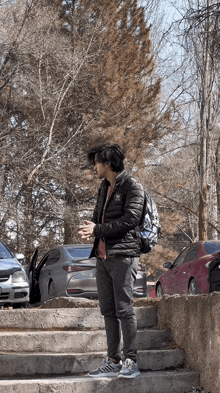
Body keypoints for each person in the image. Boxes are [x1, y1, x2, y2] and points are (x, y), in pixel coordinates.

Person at [78, 143, 144, 379]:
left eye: (96, 162)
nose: (94, 166)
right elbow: (100, 222)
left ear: (107, 163)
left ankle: (131, 361)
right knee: (108, 310)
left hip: (123, 257)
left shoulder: (132, 186)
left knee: (124, 309)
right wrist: (91, 229)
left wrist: (98, 229)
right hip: (103, 257)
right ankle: (113, 360)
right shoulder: (104, 187)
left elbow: (130, 220)